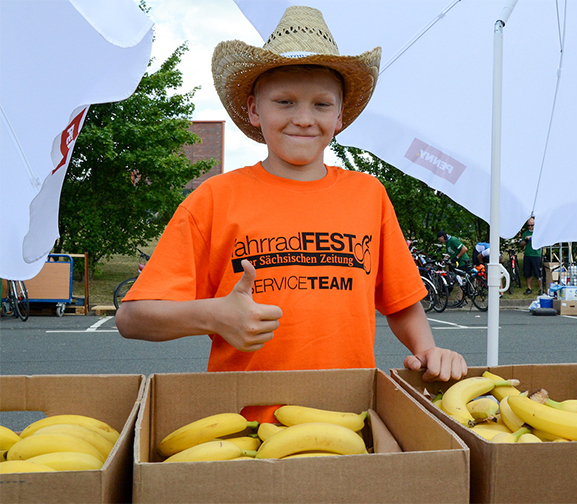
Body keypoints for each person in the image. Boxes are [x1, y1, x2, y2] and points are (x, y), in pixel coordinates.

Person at [115, 7, 466, 399]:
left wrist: (427, 350)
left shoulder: (369, 195)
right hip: (238, 424)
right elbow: (132, 318)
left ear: (340, 117)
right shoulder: (214, 198)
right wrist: (214, 315)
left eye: (321, 104)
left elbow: (401, 302)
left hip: (348, 417)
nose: (303, 118)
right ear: (253, 110)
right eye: (284, 102)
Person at [519, 217, 542, 295]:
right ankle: (529, 288)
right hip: (527, 254)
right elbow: (521, 244)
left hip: (536, 255)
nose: (530, 227)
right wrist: (525, 241)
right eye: (529, 225)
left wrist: (532, 238)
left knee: (537, 273)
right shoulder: (525, 233)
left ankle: (540, 289)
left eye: (532, 225)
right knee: (527, 273)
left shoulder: (538, 232)